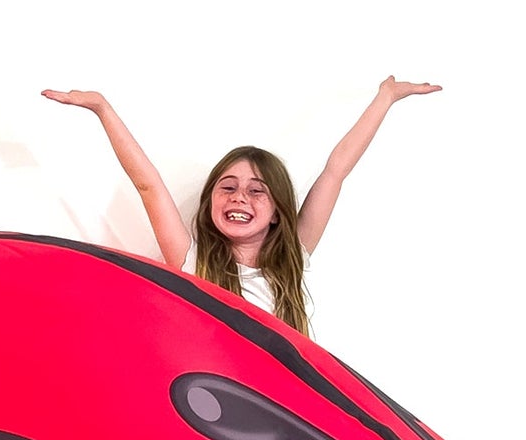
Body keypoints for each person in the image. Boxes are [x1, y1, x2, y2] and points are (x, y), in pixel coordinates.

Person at [41, 78, 441, 335]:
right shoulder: (193, 261)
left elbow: (336, 170)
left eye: (256, 191)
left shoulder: (294, 259)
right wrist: (103, 109)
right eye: (228, 187)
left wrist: (385, 98)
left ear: (277, 211)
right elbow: (148, 185)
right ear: (210, 202)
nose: (239, 197)